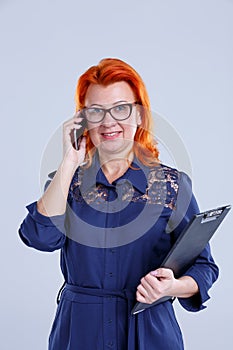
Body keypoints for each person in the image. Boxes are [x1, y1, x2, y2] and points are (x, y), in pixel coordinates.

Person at [19, 58, 219, 350]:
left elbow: (204, 266)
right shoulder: (67, 183)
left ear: (139, 114)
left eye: (120, 109)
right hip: (80, 332)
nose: (109, 122)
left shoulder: (172, 185)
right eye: (96, 111)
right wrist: (69, 162)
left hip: (150, 331)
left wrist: (173, 286)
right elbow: (39, 237)